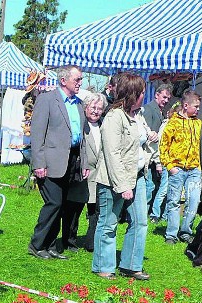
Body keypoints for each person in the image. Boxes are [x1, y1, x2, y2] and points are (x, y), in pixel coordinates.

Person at [92, 72, 150, 280]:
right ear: (132, 94)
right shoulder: (114, 117)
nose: (145, 95)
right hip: (113, 180)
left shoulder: (137, 116)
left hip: (138, 176)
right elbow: (112, 154)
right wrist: (123, 185)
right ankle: (103, 266)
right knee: (108, 223)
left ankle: (131, 265)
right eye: (142, 92)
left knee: (140, 222)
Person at [28, 65, 87, 260]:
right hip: (50, 161)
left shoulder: (78, 104)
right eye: (77, 79)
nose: (80, 83)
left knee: (61, 205)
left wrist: (83, 163)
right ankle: (37, 244)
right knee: (53, 203)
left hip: (71, 160)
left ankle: (51, 245)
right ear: (63, 81)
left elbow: (82, 137)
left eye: (80, 79)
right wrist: (38, 164)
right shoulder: (47, 100)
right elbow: (37, 134)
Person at [63, 91, 107, 253]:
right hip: (81, 174)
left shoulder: (104, 125)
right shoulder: (80, 124)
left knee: (96, 212)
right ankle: (69, 240)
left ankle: (91, 242)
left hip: (99, 175)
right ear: (86, 107)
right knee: (74, 210)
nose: (96, 111)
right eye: (93, 107)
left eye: (100, 108)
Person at [160, 89, 202, 245]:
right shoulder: (173, 122)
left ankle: (186, 231)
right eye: (196, 106)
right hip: (177, 168)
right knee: (174, 201)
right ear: (186, 105)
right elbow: (163, 146)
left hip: (194, 169)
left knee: (194, 200)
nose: (198, 109)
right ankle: (171, 234)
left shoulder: (198, 123)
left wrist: (199, 167)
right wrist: (170, 166)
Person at [150, 101, 181, 223]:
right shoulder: (167, 125)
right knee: (163, 189)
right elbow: (160, 144)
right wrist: (158, 161)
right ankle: (155, 214)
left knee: (171, 190)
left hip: (175, 163)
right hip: (166, 161)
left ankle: (166, 215)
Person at [143, 83, 172, 210]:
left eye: (168, 99)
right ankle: (141, 212)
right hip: (147, 154)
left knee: (151, 185)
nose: (166, 101)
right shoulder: (149, 109)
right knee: (148, 186)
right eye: (164, 97)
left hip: (155, 155)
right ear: (156, 95)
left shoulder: (160, 111)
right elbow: (145, 131)